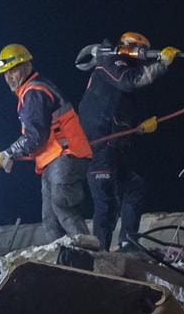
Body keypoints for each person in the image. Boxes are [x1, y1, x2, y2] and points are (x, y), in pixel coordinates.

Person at [76, 32, 178, 251]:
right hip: (99, 147)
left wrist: (139, 128)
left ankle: (127, 244)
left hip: (115, 149)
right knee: (106, 203)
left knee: (134, 188)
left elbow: (117, 111)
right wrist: (161, 64)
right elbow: (130, 82)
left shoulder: (120, 72)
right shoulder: (110, 60)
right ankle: (99, 253)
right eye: (140, 51)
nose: (141, 57)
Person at [0, 43, 92, 240]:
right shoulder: (31, 91)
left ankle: (88, 249)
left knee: (62, 205)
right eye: (6, 73)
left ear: (27, 66)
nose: (9, 77)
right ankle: (61, 256)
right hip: (53, 159)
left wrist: (9, 153)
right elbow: (39, 137)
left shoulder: (34, 92)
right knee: (50, 220)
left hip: (65, 154)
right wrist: (11, 156)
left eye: (13, 70)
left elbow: (34, 137)